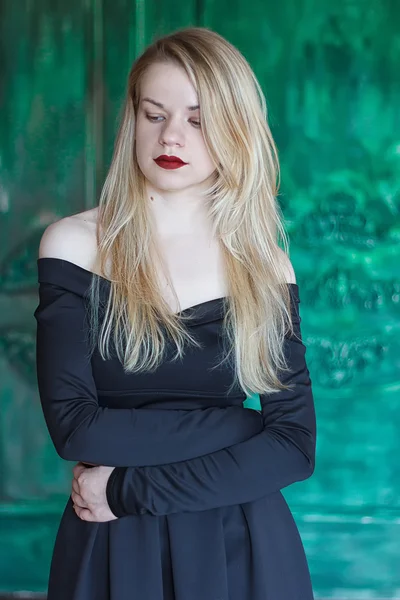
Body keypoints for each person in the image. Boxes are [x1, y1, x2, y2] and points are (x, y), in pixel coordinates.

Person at [34, 26, 316, 600]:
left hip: (238, 540)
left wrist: (126, 491)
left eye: (197, 118)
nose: (171, 136)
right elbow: (75, 427)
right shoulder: (72, 244)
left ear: (234, 128)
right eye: (154, 114)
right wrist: (243, 426)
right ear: (131, 121)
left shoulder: (265, 264)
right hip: (111, 548)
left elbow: (294, 447)